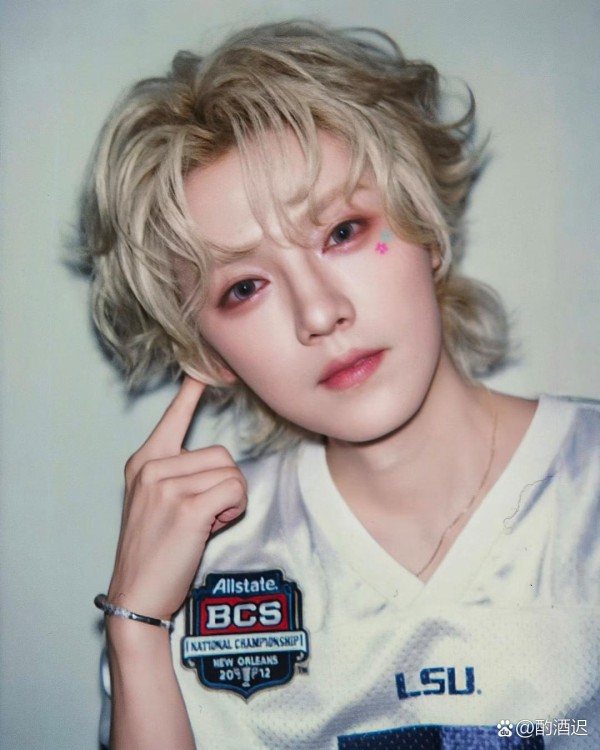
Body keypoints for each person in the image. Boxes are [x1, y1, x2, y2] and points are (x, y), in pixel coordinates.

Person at [82, 20, 600, 749]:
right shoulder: (202, 570)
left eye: (343, 232)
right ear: (206, 352)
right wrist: (137, 627)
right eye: (245, 287)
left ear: (424, 224)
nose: (320, 313)